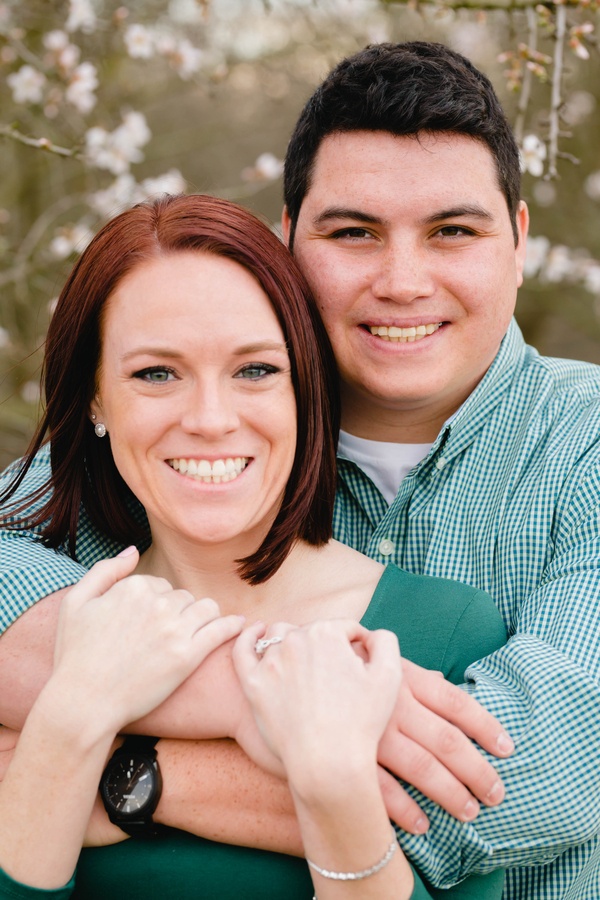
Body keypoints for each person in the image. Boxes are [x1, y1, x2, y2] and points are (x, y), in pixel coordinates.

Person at [2, 37, 600, 898]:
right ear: (288, 243)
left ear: (517, 240)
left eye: (452, 232)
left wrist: (121, 771)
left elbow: (543, 775)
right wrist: (249, 698)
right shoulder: (202, 451)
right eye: (353, 232)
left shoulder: (583, 445)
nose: (402, 281)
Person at [0, 192, 509, 899]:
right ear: (93, 399)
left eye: (255, 370)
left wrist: (331, 791)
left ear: (305, 387)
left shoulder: (442, 634)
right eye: (156, 374)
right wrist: (69, 715)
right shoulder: (41, 639)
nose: (210, 419)